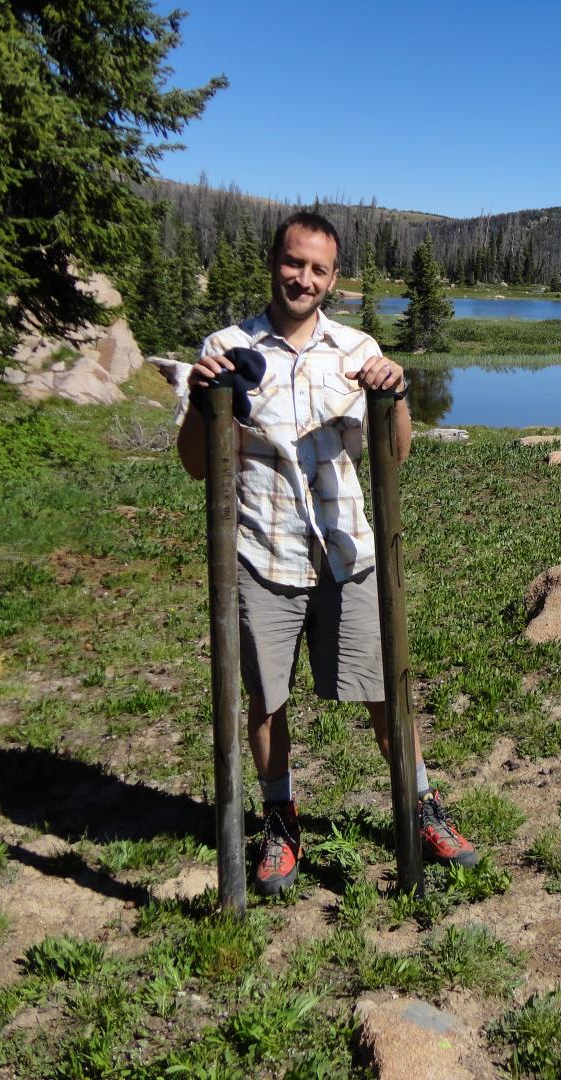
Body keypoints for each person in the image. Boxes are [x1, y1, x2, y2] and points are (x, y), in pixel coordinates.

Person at [177, 210, 477, 896]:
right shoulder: (226, 348)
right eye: (293, 263)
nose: (303, 279)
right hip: (263, 553)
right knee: (265, 699)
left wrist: (396, 394)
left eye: (317, 269)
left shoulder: (356, 349)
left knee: (385, 691)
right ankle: (280, 820)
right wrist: (200, 400)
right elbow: (197, 465)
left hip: (348, 554)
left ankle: (421, 806)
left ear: (334, 279)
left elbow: (395, 452)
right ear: (273, 263)